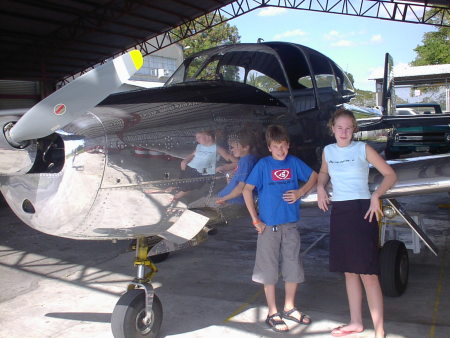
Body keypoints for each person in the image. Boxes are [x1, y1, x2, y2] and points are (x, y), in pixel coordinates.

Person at [316, 108, 397, 338]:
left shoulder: (363, 148)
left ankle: (379, 330)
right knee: (349, 272)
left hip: (363, 210)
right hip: (340, 211)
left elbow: (390, 174)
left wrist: (376, 195)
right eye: (339, 128)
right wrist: (321, 187)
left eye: (348, 128)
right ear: (332, 128)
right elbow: (323, 172)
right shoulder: (328, 150)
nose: (343, 132)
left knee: (368, 273)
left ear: (354, 129)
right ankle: (356, 322)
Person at [242, 124, 318, 333]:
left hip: (290, 226)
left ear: (288, 145)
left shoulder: (293, 162)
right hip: (269, 228)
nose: (281, 150)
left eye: (284, 146)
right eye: (276, 146)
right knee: (269, 269)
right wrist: (255, 219)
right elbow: (247, 190)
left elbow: (314, 175)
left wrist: (300, 191)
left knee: (293, 266)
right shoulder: (263, 165)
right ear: (269, 147)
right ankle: (272, 312)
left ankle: (290, 307)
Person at [174, 130, 237, 200]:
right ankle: (179, 189)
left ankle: (178, 195)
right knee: (183, 179)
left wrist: (224, 167)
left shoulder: (217, 148)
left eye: (199, 137)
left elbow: (236, 162)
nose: (197, 139)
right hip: (191, 168)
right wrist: (185, 161)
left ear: (208, 138)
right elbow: (192, 155)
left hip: (204, 171)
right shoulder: (199, 146)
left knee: (189, 183)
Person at [215, 130, 258, 205]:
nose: (232, 149)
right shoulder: (245, 160)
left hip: (235, 202)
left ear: (245, 148)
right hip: (231, 200)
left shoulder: (246, 162)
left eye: (234, 147)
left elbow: (241, 188)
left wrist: (223, 199)